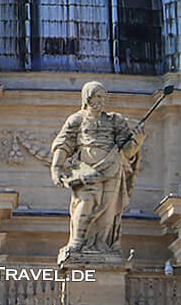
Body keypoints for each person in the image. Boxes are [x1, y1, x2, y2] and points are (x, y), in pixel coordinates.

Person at [50, 82, 145, 261]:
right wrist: (56, 167)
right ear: (87, 97)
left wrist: (137, 141)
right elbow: (64, 144)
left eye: (103, 97)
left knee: (108, 209)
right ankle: (77, 242)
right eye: (96, 96)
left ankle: (102, 245)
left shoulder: (115, 120)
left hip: (112, 169)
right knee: (85, 202)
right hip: (84, 170)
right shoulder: (76, 119)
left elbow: (126, 151)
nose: (100, 101)